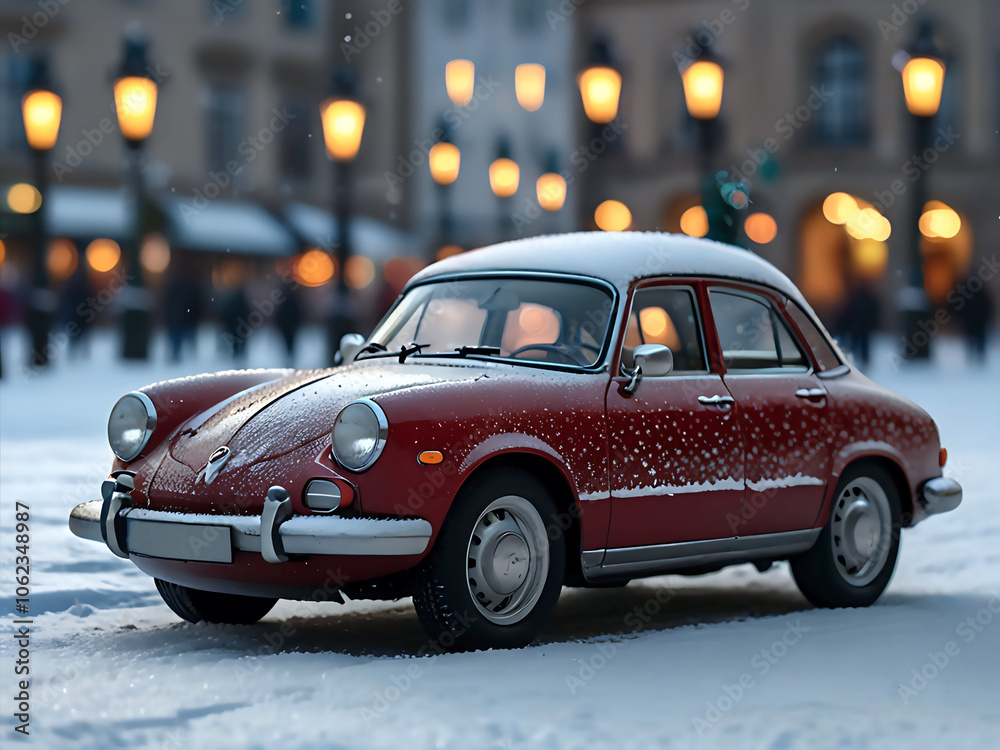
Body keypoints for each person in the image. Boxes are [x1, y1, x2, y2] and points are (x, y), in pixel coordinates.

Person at [838, 279, 881, 369]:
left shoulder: (859, 297)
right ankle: (858, 359)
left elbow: (872, 310)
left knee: (860, 343)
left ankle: (859, 360)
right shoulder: (861, 297)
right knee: (860, 343)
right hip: (859, 325)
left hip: (860, 325)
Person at [958, 278, 992, 364]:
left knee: (971, 337)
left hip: (971, 320)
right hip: (979, 320)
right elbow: (988, 306)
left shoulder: (965, 294)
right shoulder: (982, 293)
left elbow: (961, 308)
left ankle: (972, 355)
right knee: (979, 338)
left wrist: (961, 318)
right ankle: (979, 356)